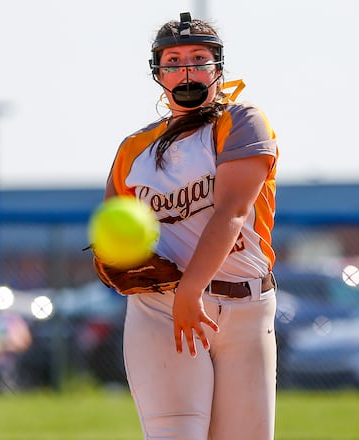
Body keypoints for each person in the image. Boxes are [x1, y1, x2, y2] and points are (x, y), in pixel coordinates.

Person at [92, 12, 279, 439]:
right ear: (158, 73)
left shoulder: (241, 121)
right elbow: (112, 230)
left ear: (218, 66)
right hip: (162, 308)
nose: (186, 69)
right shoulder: (134, 150)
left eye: (198, 57)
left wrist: (192, 290)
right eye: (173, 61)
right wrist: (115, 256)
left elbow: (231, 211)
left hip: (246, 308)